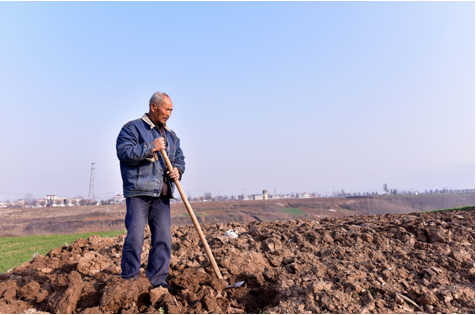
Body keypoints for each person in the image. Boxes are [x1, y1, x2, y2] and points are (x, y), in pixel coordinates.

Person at [116, 92, 185, 293]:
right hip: (138, 192)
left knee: (163, 239)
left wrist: (177, 170)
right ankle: (129, 280)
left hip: (162, 194)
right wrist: (151, 147)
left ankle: (158, 281)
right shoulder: (132, 128)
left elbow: (179, 158)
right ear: (154, 107)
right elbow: (123, 152)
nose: (170, 114)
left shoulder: (172, 136)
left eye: (171, 110)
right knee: (135, 237)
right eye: (167, 109)